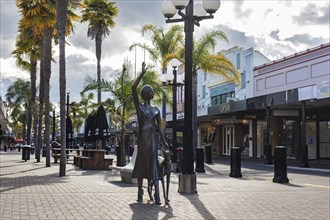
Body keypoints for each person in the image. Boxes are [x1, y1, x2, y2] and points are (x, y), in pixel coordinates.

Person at [131, 62, 169, 205]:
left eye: (153, 90)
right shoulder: (140, 107)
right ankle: (140, 191)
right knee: (141, 164)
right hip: (143, 140)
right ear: (145, 94)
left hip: (153, 140)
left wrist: (165, 142)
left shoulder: (156, 110)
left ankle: (158, 195)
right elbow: (133, 88)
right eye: (151, 91)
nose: (153, 92)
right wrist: (142, 73)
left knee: (153, 165)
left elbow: (160, 127)